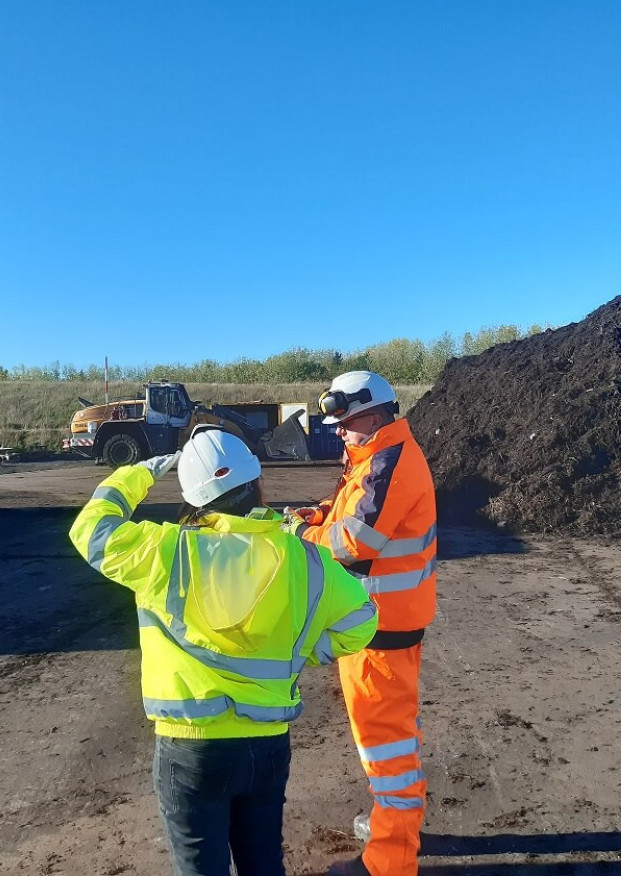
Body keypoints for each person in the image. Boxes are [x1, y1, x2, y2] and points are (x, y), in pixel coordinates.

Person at [69, 425, 379, 876]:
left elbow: (91, 530)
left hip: (190, 749)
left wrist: (137, 473)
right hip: (267, 745)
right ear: (257, 484)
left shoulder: (166, 551)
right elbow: (363, 619)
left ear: (193, 498)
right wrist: (306, 653)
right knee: (263, 863)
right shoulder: (305, 558)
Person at [283, 371, 438, 876]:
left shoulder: (391, 461)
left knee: (386, 745)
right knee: (392, 738)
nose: (340, 433)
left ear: (374, 417)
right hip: (380, 626)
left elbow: (355, 545)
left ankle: (390, 860)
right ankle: (398, 827)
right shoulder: (375, 458)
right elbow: (351, 514)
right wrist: (321, 513)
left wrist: (304, 533)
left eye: (346, 424)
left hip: (382, 631)